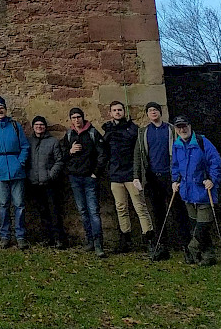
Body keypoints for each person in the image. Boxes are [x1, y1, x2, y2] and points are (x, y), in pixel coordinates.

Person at [134, 101, 185, 261]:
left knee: (178, 211)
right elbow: (138, 155)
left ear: (160, 112)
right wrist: (136, 176)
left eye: (155, 110)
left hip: (171, 177)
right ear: (147, 114)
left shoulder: (171, 130)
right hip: (153, 178)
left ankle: (185, 245)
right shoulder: (143, 132)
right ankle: (161, 246)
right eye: (150, 111)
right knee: (158, 213)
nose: (153, 112)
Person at [170, 116, 221, 266]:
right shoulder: (177, 145)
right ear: (176, 129)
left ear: (190, 126)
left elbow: (216, 162)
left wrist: (212, 179)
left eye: (184, 126)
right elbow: (175, 165)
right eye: (179, 127)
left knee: (203, 225)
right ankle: (208, 256)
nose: (182, 129)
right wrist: (175, 180)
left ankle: (192, 249)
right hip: (187, 193)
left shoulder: (202, 142)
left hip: (204, 192)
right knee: (196, 226)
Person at [103, 101, 154, 254]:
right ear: (110, 113)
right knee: (121, 207)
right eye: (114, 110)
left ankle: (149, 238)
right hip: (115, 174)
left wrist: (137, 174)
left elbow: (139, 151)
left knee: (140, 206)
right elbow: (105, 151)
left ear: (124, 112)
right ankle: (125, 239)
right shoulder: (108, 130)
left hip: (132, 175)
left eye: (120, 110)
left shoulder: (133, 129)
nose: (117, 112)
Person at [0, 96, 30, 249]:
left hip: (16, 169)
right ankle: (4, 236)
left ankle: (20, 236)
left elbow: (24, 146)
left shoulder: (15, 126)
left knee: (19, 205)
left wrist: (20, 162)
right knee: (3, 205)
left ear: (5, 109)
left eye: (1, 107)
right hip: (0, 170)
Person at [63, 106, 108, 257]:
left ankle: (98, 244)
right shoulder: (69, 135)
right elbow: (62, 155)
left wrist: (96, 173)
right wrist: (70, 151)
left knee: (93, 211)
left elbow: (102, 154)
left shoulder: (92, 133)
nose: (76, 120)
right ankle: (89, 240)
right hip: (75, 177)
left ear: (83, 118)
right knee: (83, 211)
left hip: (90, 177)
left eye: (78, 117)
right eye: (73, 118)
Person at [26, 116, 68, 249]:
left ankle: (59, 239)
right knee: (42, 212)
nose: (39, 127)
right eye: (37, 124)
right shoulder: (29, 142)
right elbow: (27, 161)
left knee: (54, 211)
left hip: (49, 183)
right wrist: (29, 175)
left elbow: (59, 160)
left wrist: (51, 175)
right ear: (33, 127)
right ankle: (47, 237)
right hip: (34, 183)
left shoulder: (53, 141)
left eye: (41, 125)